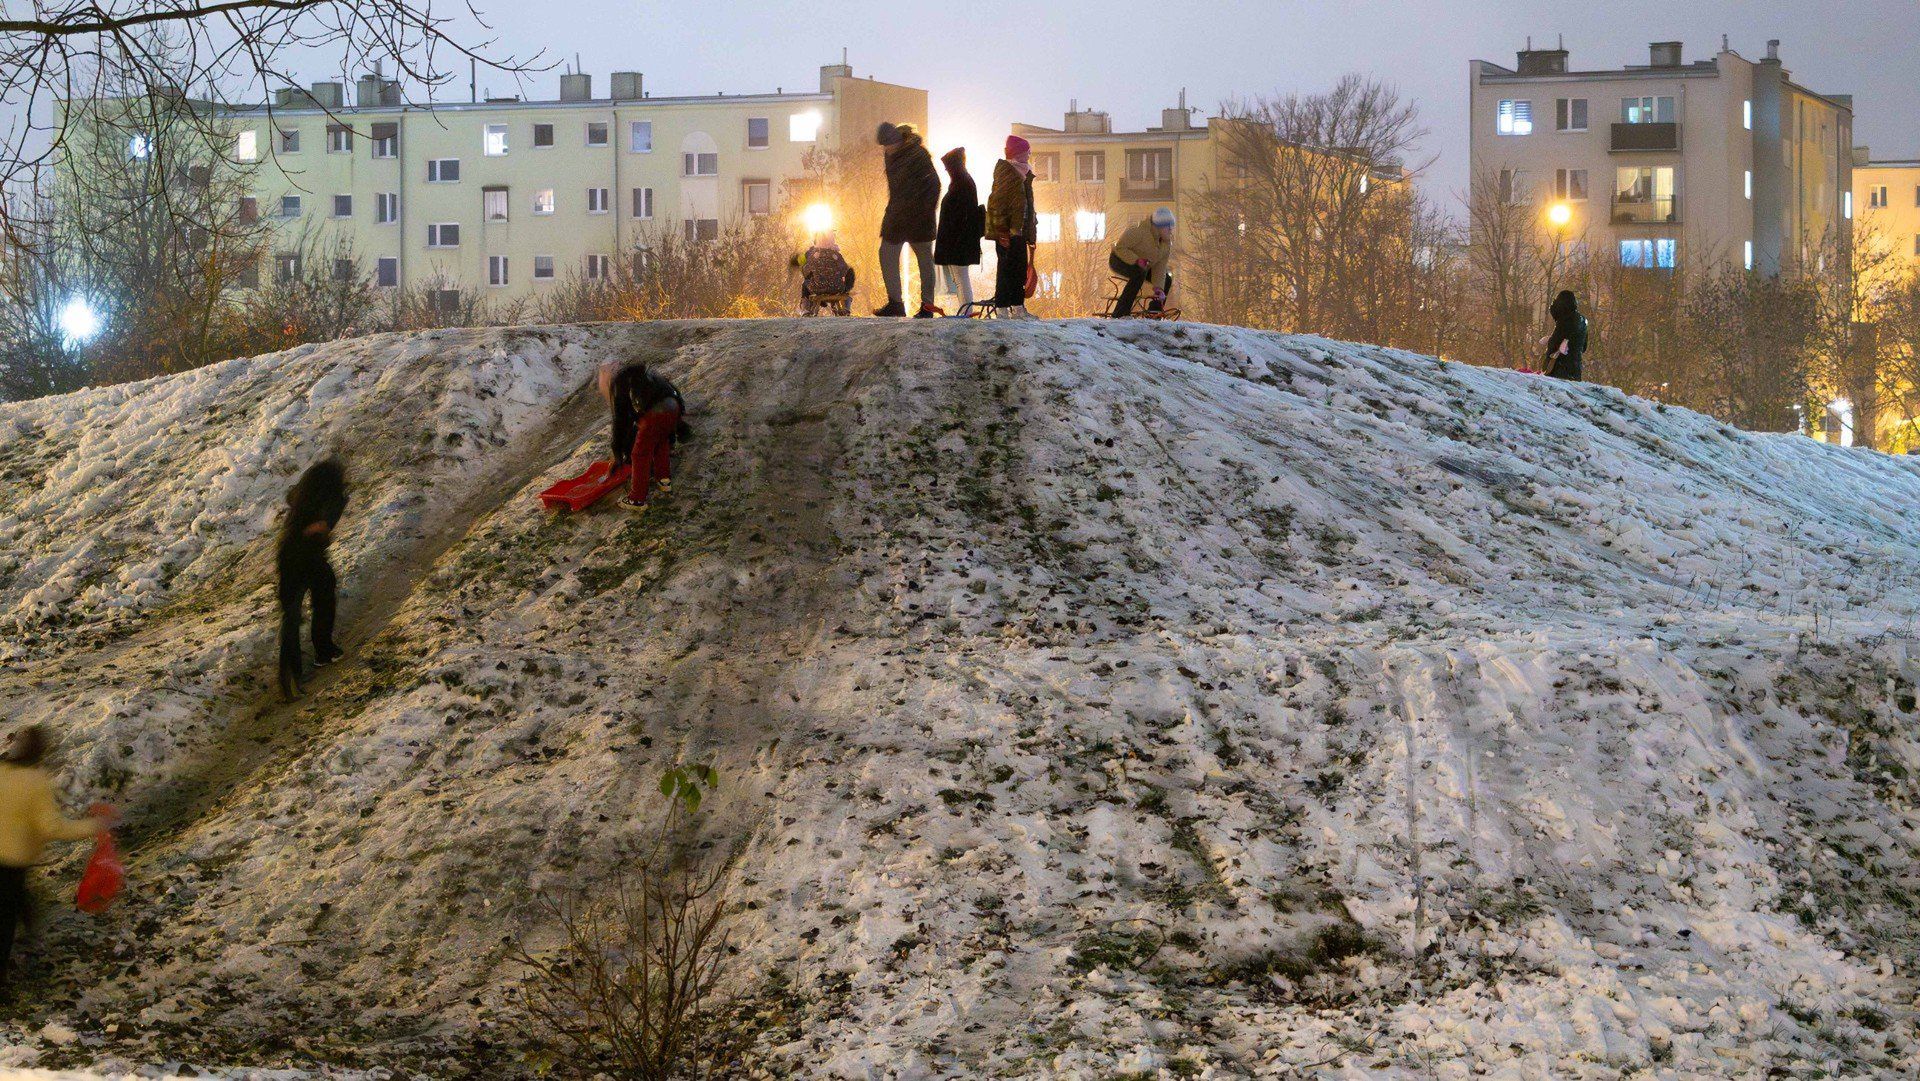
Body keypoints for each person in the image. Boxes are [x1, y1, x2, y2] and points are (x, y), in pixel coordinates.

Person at [0, 725, 114, 989]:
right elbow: (53, 828)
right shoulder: (35, 782)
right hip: (11, 863)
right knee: (6, 918)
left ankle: (30, 936)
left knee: (16, 903)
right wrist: (95, 825)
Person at [278, 458, 347, 700]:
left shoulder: (302, 496)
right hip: (306, 556)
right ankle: (321, 652)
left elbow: (292, 501)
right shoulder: (333, 499)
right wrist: (319, 527)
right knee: (318, 601)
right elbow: (320, 526)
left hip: (292, 555)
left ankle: (294, 672)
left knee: (294, 614)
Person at [874, 122, 940, 318]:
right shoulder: (890, 155)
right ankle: (895, 304)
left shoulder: (918, 155)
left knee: (925, 260)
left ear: (898, 140)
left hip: (919, 217)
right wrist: (892, 210)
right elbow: (896, 189)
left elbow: (934, 184)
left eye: (888, 144)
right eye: (884, 145)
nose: (886, 149)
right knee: (886, 253)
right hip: (897, 217)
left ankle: (927, 307)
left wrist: (926, 210)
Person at [602, 360, 687, 510]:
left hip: (655, 413)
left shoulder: (619, 382)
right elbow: (671, 391)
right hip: (674, 406)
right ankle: (664, 481)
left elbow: (620, 420)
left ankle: (637, 499)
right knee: (661, 442)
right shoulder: (645, 372)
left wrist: (617, 453)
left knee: (640, 454)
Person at [986, 135, 1039, 319]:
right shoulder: (1008, 173)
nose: (1029, 156)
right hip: (1008, 232)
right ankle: (1002, 307)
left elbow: (1028, 206)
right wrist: (1002, 232)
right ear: (1017, 153)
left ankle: (1017, 307)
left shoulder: (1023, 174)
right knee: (1006, 269)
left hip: (1020, 231)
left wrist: (1031, 233)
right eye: (1026, 152)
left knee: (1018, 271)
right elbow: (997, 203)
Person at [934, 147, 984, 315]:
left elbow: (959, 217)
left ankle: (966, 312)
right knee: (960, 278)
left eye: (948, 167)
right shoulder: (964, 182)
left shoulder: (961, 184)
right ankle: (966, 311)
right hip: (960, 241)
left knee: (961, 279)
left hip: (959, 242)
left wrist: (952, 241)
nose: (947, 170)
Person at [1109, 208, 1176, 318]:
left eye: (1171, 226)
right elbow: (1120, 248)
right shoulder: (1138, 231)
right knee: (1139, 273)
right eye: (1167, 226)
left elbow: (1160, 268)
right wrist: (1136, 260)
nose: (1170, 229)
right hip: (1119, 259)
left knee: (1166, 279)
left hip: (1143, 265)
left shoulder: (1166, 244)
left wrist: (1158, 288)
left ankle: (1154, 312)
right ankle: (1120, 313)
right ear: (1159, 226)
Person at [795, 231, 856, 315]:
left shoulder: (812, 254)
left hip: (817, 287)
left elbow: (806, 272)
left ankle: (806, 309)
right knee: (849, 276)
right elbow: (845, 270)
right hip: (836, 288)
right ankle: (846, 307)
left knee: (805, 283)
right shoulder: (836, 255)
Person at [1543, 290, 1588, 382]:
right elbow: (1583, 347)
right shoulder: (1583, 320)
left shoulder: (1565, 320)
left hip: (1560, 369)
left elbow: (1555, 344)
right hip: (1575, 369)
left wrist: (1550, 341)